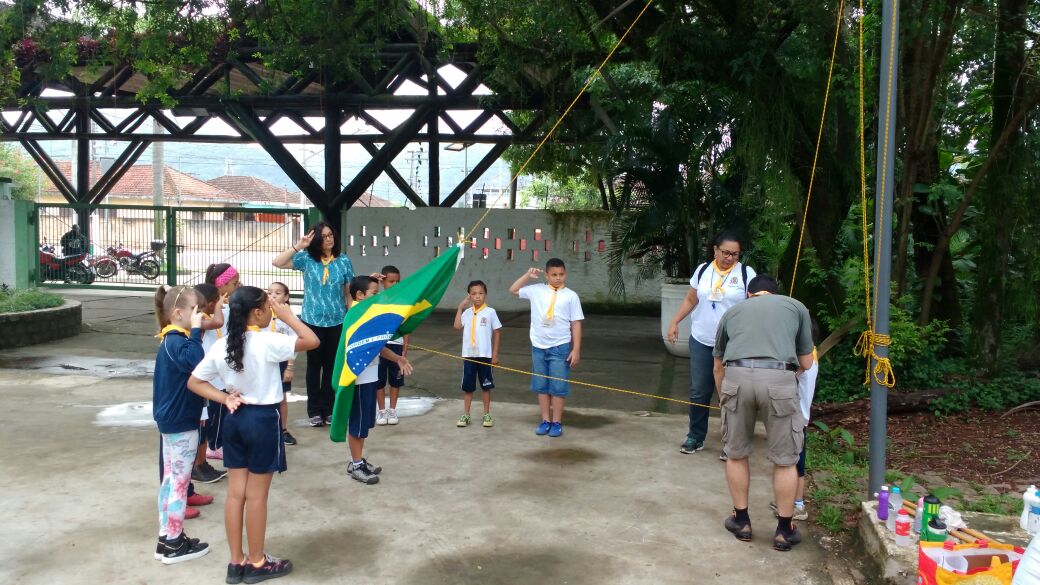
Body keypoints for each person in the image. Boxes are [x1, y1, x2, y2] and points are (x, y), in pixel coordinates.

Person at [188, 286, 319, 583]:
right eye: (268, 306)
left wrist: (224, 398)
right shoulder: (268, 341)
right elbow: (312, 340)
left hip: (235, 418)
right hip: (262, 420)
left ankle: (236, 562)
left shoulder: (221, 345)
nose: (273, 309)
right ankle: (258, 561)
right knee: (257, 495)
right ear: (257, 312)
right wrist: (289, 315)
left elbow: (195, 382)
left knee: (236, 494)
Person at [712, 274, 814, 552]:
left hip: (736, 377)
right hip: (779, 378)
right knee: (785, 460)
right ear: (775, 293)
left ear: (750, 294)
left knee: (736, 452)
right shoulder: (795, 307)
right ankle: (784, 530)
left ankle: (741, 521)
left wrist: (725, 398)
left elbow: (718, 365)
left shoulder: (733, 311)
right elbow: (806, 360)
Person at [152, 285, 242, 564]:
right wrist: (194, 330)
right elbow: (197, 361)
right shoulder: (178, 341)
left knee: (171, 480)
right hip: (181, 422)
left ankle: (166, 537)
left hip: (172, 420)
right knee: (179, 482)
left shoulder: (171, 339)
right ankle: (175, 543)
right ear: (178, 313)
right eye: (194, 311)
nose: (198, 315)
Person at [667, 230, 756, 456]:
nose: (730, 258)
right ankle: (695, 436)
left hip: (733, 344)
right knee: (699, 391)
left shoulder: (746, 273)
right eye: (726, 253)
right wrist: (675, 321)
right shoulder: (703, 270)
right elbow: (691, 299)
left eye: (735, 254)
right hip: (702, 340)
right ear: (715, 250)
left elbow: (755, 307)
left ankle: (732, 442)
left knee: (730, 393)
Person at [271, 221, 354, 428]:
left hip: (337, 321)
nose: (329, 239)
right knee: (314, 366)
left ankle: (329, 408)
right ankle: (314, 410)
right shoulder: (307, 259)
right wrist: (299, 245)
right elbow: (278, 262)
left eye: (331, 235)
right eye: (324, 236)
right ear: (317, 240)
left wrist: (351, 315)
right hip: (311, 321)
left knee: (331, 367)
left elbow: (348, 293)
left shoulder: (343, 261)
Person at [345, 276, 414, 484]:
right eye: (374, 293)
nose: (378, 296)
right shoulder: (356, 316)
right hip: (358, 378)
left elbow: (377, 347)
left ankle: (356, 460)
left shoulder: (366, 314)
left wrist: (398, 357)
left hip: (369, 376)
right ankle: (356, 465)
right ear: (359, 295)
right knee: (357, 424)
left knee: (364, 424)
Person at [509, 258, 584, 438]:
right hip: (539, 346)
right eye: (554, 275)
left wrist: (576, 349)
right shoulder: (536, 291)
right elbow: (513, 290)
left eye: (561, 274)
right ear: (547, 274)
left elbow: (576, 323)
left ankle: (557, 422)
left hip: (560, 347)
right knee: (541, 386)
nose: (558, 278)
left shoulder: (571, 296)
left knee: (558, 387)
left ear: (565, 273)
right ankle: (545, 420)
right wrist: (528, 275)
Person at [771, 319, 820, 522]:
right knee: (795, 461)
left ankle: (798, 505)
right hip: (800, 417)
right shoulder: (812, 355)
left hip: (795, 419)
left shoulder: (803, 363)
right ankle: (792, 501)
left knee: (795, 464)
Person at [453, 280, 502, 428]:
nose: (477, 296)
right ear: (469, 296)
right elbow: (457, 326)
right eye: (473, 294)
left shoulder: (490, 312)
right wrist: (460, 307)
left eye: (480, 293)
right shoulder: (467, 313)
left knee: (486, 386)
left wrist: (494, 354)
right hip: (469, 355)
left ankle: (487, 414)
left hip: (485, 356)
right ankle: (466, 414)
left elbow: (497, 332)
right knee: (468, 387)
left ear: (485, 294)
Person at [267, 282, 298, 446]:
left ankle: (283, 430)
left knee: (281, 398)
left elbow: (294, 342)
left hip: (281, 363)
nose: (272, 295)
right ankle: (267, 429)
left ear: (286, 297)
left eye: (277, 293)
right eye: (269, 292)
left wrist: (289, 367)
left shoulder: (288, 317)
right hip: (265, 362)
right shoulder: (262, 314)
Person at [376, 265, 407, 426]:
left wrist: (405, 347)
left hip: (397, 346)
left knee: (395, 380)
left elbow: (406, 327)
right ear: (383, 281)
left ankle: (392, 409)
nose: (395, 284)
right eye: (391, 281)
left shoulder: (403, 302)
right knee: (379, 380)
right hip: (379, 346)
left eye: (397, 281)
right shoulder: (377, 299)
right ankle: (381, 411)